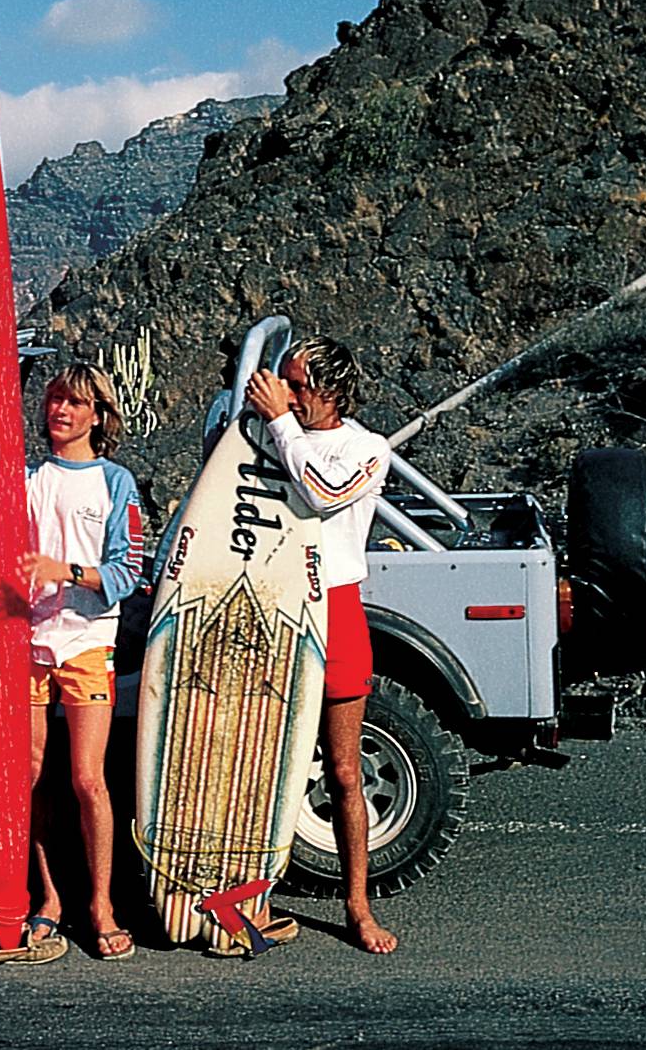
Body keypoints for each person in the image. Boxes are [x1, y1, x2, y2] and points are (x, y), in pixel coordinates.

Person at [0, 362, 146, 964]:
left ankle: (102, 906)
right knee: (32, 774)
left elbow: (128, 572)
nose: (59, 411)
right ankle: (50, 900)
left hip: (88, 642)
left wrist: (62, 571)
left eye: (73, 402)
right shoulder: (25, 478)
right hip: (26, 642)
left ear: (98, 414)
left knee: (88, 779)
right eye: (53, 400)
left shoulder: (116, 483)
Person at [242, 335, 401, 956]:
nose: (286, 394)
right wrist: (266, 420)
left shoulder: (367, 447)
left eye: (298, 384)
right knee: (260, 764)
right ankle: (246, 892)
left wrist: (281, 421)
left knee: (341, 769)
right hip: (275, 602)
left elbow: (325, 493)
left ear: (329, 391)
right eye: (283, 383)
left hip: (334, 605)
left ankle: (357, 907)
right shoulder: (271, 431)